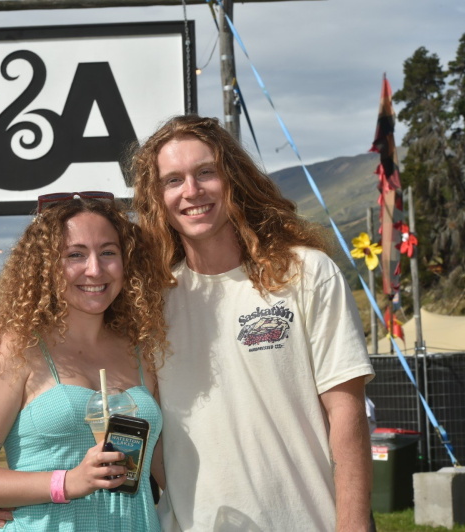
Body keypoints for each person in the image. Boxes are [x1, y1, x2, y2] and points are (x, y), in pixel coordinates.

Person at [130, 114, 375, 531]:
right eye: (173, 180)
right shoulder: (152, 301)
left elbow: (346, 414)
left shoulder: (306, 274)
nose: (191, 191)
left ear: (233, 179)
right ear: (157, 198)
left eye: (206, 172)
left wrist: (353, 523)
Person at [0, 193, 168, 531]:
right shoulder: (17, 350)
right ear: (46, 265)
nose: (94, 269)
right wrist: (67, 482)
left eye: (108, 252)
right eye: (75, 255)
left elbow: (168, 470)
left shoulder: (142, 352)